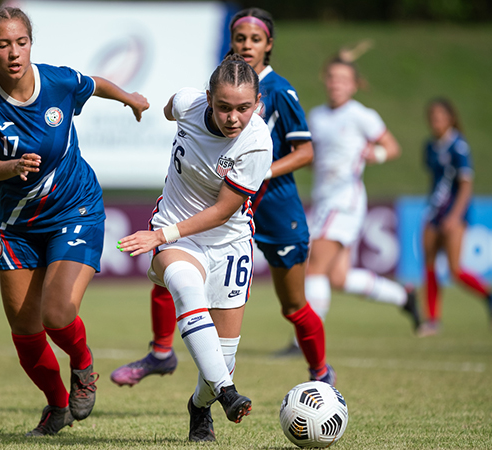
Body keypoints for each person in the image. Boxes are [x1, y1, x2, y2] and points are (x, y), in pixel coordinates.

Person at [111, 7, 333, 389]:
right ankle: (162, 352)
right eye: (240, 37)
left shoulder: (280, 91)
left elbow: (306, 152)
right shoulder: (218, 87)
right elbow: (180, 112)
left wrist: (261, 172)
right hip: (221, 204)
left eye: (255, 38)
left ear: (269, 46)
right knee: (172, 271)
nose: (247, 45)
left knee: (293, 304)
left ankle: (321, 375)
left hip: (274, 203)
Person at [0, 6, 149, 437]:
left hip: (75, 209)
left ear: (30, 44)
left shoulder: (56, 80)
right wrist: (13, 165)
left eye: (21, 42)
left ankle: (83, 365)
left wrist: (131, 99)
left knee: (58, 312)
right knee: (25, 331)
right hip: (19, 226)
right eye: (3, 44)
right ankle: (57, 405)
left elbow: (94, 83)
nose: (14, 52)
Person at [117, 54, 270, 441]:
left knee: (223, 356)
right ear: (207, 98)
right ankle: (228, 394)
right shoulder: (189, 103)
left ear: (257, 103)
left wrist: (158, 237)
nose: (233, 117)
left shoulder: (257, 143)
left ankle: (200, 405)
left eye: (243, 108)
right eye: (223, 107)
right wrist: (164, 236)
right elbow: (172, 108)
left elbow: (221, 212)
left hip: (229, 242)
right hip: (176, 233)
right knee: (185, 288)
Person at [302, 55, 421, 333]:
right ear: (325, 80)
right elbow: (313, 159)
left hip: (344, 200)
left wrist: (375, 153)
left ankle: (305, 342)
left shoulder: (360, 115)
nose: (336, 84)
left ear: (354, 85)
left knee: (313, 268)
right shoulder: (317, 117)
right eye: (332, 78)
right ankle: (404, 297)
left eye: (343, 79)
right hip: (324, 198)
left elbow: (392, 147)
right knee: (339, 278)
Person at [417, 98, 492, 337]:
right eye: (432, 117)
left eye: (440, 117)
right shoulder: (430, 146)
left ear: (450, 118)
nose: (435, 122)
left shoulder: (458, 146)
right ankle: (433, 320)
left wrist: (455, 216)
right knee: (429, 266)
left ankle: (491, 295)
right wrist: (433, 211)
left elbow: (466, 186)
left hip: (454, 214)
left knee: (455, 270)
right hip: (434, 211)